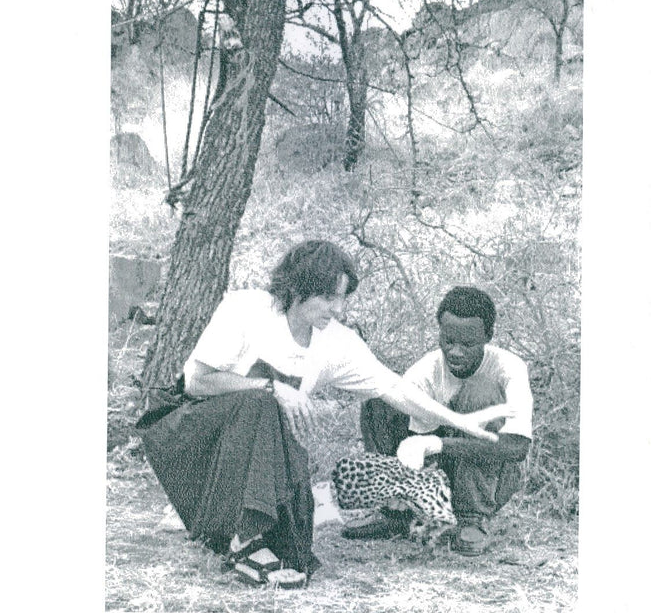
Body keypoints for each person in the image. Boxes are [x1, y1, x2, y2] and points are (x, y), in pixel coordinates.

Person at [137, 244, 511, 585]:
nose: (339, 310)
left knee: (296, 547)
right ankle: (243, 542)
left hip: (252, 459)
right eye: (331, 298)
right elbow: (196, 383)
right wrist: (270, 387)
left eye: (343, 299)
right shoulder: (246, 309)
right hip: (190, 440)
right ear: (300, 288)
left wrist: (459, 420)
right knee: (261, 404)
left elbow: (394, 389)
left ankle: (232, 527)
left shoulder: (335, 341)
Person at [342, 286, 532, 555]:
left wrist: (440, 443)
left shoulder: (508, 368)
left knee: (481, 390)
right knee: (380, 400)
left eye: (467, 344)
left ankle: (472, 519)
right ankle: (396, 513)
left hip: (491, 479)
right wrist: (404, 481)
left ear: (487, 336)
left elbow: (517, 449)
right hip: (439, 474)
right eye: (448, 341)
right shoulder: (426, 371)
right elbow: (414, 445)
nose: (455, 352)